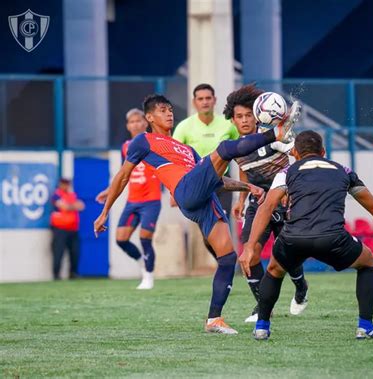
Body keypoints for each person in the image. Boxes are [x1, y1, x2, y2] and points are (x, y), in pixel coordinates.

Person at [94, 93, 300, 335]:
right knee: (223, 149)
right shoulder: (143, 141)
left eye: (170, 109)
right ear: (149, 117)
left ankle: (214, 319)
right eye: (162, 110)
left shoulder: (187, 150)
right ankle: (275, 134)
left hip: (202, 198)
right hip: (185, 191)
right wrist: (105, 210)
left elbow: (211, 178)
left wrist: (248, 187)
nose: (169, 113)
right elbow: (123, 176)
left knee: (227, 257)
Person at [239, 130, 373, 340]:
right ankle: (365, 326)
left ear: (296, 154)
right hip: (332, 238)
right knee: (367, 261)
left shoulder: (287, 172)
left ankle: (262, 326)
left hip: (294, 238)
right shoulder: (343, 171)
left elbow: (266, 207)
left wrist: (249, 246)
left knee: (274, 269)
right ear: (324, 152)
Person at [223, 84, 309, 323]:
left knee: (288, 257)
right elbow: (244, 170)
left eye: (248, 115)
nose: (244, 120)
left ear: (258, 114)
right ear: (232, 121)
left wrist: (291, 152)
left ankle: (301, 288)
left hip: (284, 202)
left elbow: (298, 155)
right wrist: (241, 198)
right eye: (238, 116)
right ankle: (264, 306)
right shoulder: (235, 147)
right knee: (249, 255)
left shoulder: (273, 139)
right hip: (258, 204)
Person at [96, 108, 161, 290]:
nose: (135, 124)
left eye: (138, 120)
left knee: (145, 238)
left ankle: (148, 277)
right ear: (127, 126)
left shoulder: (154, 142)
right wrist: (110, 190)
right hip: (132, 201)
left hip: (151, 200)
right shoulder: (125, 147)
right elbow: (123, 173)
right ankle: (142, 261)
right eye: (131, 122)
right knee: (121, 239)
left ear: (145, 123)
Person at [173, 83, 239, 215]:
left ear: (214, 100)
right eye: (200, 99)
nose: (205, 102)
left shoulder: (228, 125)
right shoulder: (184, 127)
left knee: (222, 221)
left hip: (222, 182)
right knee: (206, 229)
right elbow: (174, 159)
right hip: (196, 183)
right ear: (194, 102)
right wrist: (175, 188)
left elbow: (241, 153)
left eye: (208, 98)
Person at [50, 178, 85, 280]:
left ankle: (73, 273)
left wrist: (71, 206)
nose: (66, 186)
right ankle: (56, 275)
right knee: (58, 252)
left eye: (67, 184)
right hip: (60, 229)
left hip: (73, 228)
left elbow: (81, 206)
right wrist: (73, 206)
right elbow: (64, 207)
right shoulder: (56, 195)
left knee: (75, 252)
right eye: (64, 184)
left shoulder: (71, 195)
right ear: (60, 184)